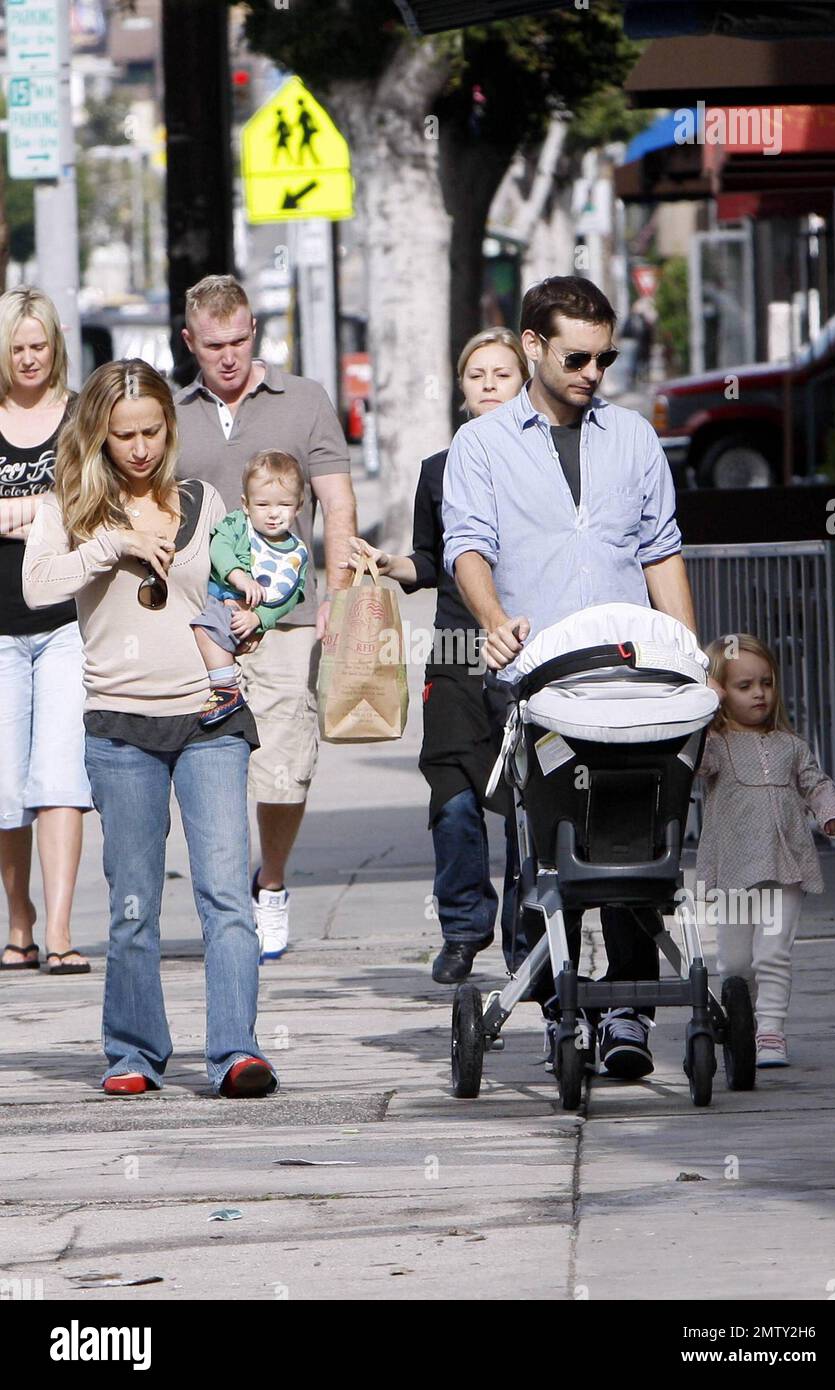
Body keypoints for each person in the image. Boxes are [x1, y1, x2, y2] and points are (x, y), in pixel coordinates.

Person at [442, 275, 697, 1080]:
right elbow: (467, 545)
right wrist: (491, 618)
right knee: (546, 853)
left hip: (632, 680)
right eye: (578, 356)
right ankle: (561, 1009)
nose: (593, 371)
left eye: (605, 357)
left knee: (632, 842)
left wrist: (691, 655)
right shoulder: (480, 447)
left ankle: (625, 1013)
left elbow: (661, 550)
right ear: (532, 347)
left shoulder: (634, 438)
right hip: (536, 681)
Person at [22, 359, 276, 1099]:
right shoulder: (70, 507)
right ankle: (133, 1051)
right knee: (133, 900)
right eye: (123, 435)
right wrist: (113, 545)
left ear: (170, 427)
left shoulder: (204, 498)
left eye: (151, 432)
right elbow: (38, 585)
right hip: (123, 728)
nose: (138, 448)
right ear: (98, 436)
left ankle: (235, 1051)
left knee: (226, 891)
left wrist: (246, 619)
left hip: (210, 718)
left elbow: (232, 584)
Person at [176, 274, 356, 960]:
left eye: (240, 340)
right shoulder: (174, 409)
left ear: (255, 333)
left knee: (285, 760)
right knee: (210, 761)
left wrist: (337, 599)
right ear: (190, 340)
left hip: (288, 618)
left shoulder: (304, 401)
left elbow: (337, 503)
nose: (228, 355)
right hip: (202, 622)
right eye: (213, 343)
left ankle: (271, 884)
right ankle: (225, 895)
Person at [346, 329, 529, 984]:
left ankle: (526, 941)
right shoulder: (437, 470)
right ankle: (463, 925)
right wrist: (390, 564)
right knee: (452, 795)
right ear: (459, 389)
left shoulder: (545, 466)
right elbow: (430, 561)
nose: (486, 383)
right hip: (456, 648)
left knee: (529, 804)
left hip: (527, 651)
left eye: (500, 373)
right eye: (474, 374)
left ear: (524, 382)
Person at [698, 634, 835, 1068]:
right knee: (736, 962)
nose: (760, 693)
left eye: (766, 682)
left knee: (773, 955)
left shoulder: (791, 745)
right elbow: (692, 763)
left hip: (786, 864)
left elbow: (815, 783)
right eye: (744, 686)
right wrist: (702, 709)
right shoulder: (715, 745)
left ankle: (770, 1032)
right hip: (733, 867)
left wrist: (829, 813)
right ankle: (739, 1025)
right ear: (722, 692)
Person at [0, 287, 91, 976]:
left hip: (67, 622)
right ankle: (19, 921)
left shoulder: (78, 416)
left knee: (59, 777)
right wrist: (42, 509)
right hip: (0, 628)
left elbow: (91, 502)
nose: (30, 358)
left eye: (39, 345)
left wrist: (25, 511)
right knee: (6, 787)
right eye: (17, 347)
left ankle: (58, 930)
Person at [191, 449, 308, 729]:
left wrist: (260, 618)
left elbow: (290, 595)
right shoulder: (237, 523)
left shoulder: (295, 553)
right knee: (202, 626)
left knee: (204, 630)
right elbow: (219, 547)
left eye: (283, 505)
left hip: (247, 616)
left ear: (299, 506)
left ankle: (225, 688)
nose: (273, 513)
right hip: (218, 595)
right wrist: (238, 576)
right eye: (263, 504)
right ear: (246, 504)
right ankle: (223, 679)